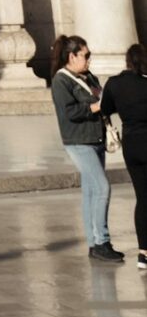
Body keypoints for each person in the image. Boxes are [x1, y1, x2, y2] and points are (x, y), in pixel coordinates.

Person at [50, 33, 122, 261]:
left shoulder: (89, 77)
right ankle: (102, 241)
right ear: (71, 56)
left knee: (91, 191)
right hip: (78, 141)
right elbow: (69, 112)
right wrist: (95, 107)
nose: (89, 60)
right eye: (86, 55)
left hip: (96, 138)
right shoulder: (61, 81)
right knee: (102, 188)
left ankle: (94, 244)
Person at [101, 43, 147, 270]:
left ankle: (143, 254)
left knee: (142, 198)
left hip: (131, 145)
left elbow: (105, 109)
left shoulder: (114, 84)